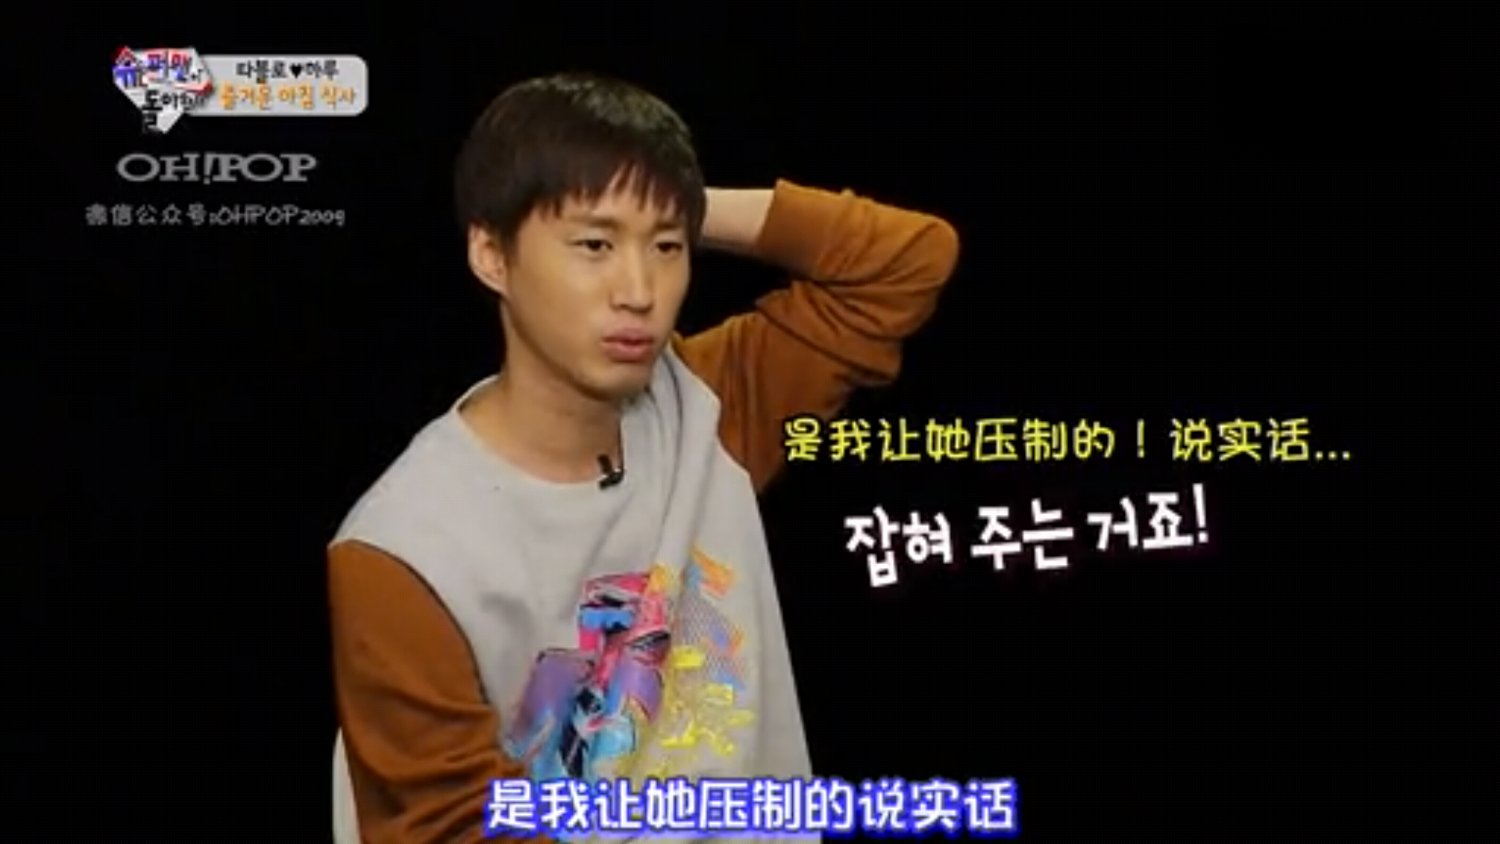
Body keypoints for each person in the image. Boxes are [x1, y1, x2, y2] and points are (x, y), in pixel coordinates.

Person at [327, 71, 960, 843]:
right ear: (491, 254)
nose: (639, 289)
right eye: (594, 244)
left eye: (667, 248)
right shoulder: (400, 551)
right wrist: (641, 205)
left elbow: (907, 261)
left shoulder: (708, 407)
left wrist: (664, 197)